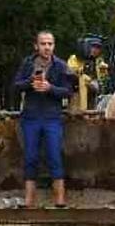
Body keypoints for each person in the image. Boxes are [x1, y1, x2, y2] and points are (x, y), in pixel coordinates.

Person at [14, 31, 72, 208]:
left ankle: (60, 200)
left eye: (50, 44)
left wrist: (50, 88)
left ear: (54, 46)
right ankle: (29, 201)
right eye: (43, 44)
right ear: (36, 46)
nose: (47, 47)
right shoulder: (27, 63)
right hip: (31, 117)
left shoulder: (61, 66)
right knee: (30, 157)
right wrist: (30, 82)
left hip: (52, 117)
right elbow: (15, 86)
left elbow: (68, 91)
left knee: (54, 156)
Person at [67, 34, 108, 111]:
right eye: (94, 47)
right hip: (77, 93)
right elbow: (72, 73)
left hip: (94, 94)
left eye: (98, 48)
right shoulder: (75, 59)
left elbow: (103, 78)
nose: (96, 50)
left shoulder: (98, 61)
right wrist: (80, 72)